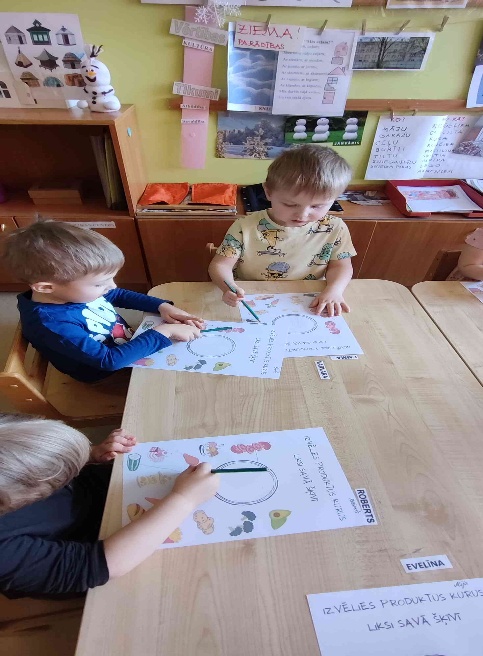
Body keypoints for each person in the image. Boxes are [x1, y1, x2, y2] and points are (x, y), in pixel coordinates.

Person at [0, 413, 219, 598]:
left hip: (101, 494)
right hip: (102, 549)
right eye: (57, 474)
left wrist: (90, 455)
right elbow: (96, 565)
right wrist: (184, 499)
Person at [1, 220, 203, 383]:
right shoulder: (52, 324)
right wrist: (164, 332)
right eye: (99, 284)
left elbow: (117, 294)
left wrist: (161, 306)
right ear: (46, 287)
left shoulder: (69, 293)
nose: (112, 286)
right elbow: (109, 361)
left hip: (125, 345)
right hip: (108, 373)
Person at [209, 145, 355, 317]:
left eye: (317, 206)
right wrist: (228, 288)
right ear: (268, 192)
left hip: (308, 300)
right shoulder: (244, 226)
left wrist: (335, 290)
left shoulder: (335, 228)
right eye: (290, 204)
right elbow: (220, 265)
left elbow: (341, 266)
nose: (302, 214)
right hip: (251, 298)